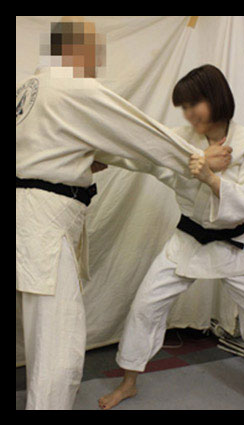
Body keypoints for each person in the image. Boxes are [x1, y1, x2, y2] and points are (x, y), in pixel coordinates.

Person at [16, 18, 232, 410]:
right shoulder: (72, 86)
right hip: (44, 224)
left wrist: (81, 161)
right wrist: (198, 159)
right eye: (92, 51)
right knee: (56, 343)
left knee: (39, 332)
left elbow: (55, 151)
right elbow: (138, 132)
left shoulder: (28, 90)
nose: (95, 62)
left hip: (27, 218)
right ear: (73, 50)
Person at [98, 64, 244, 410]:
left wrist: (210, 178)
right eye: (185, 106)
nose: (190, 113)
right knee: (145, 306)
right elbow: (141, 153)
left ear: (216, 98)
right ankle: (128, 382)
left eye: (196, 103)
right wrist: (101, 155)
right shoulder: (179, 140)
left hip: (235, 246)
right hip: (188, 240)